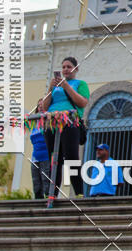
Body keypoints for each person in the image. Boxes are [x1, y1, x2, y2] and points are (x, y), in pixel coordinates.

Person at [41, 56, 90, 207]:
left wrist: (66, 86)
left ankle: (79, 192)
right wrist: (50, 89)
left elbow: (82, 102)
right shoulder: (55, 87)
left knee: (71, 157)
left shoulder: (80, 84)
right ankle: (52, 193)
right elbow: (44, 107)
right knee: (54, 158)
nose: (65, 70)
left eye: (69, 67)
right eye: (63, 67)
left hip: (70, 121)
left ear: (76, 69)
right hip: (52, 123)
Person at [29, 99, 50, 199]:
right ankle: (38, 200)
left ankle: (48, 199)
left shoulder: (49, 120)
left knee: (46, 179)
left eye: (42, 104)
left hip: (46, 155)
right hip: (35, 156)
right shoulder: (34, 123)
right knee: (36, 181)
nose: (40, 107)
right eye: (38, 105)